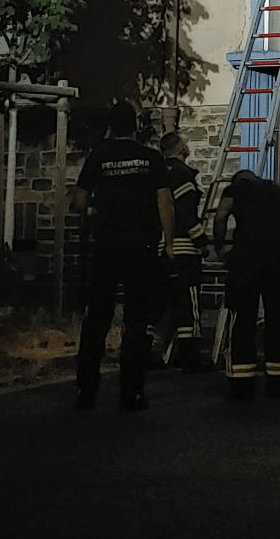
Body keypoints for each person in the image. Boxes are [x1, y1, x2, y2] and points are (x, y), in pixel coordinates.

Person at [74, 101, 175, 411]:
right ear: (135, 126)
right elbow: (164, 202)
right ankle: (132, 392)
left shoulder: (98, 157)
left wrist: (94, 215)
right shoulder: (152, 158)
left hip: (106, 246)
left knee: (97, 317)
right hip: (141, 248)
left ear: (110, 127)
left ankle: (86, 391)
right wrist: (169, 243)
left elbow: (79, 200)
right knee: (136, 320)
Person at [212, 170, 280, 400]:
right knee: (278, 321)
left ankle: (242, 382)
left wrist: (221, 248)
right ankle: (279, 380)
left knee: (242, 320)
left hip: (245, 261)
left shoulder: (235, 191)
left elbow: (220, 217)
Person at [154, 130, 208, 370]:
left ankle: (147, 352)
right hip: (184, 250)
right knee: (188, 303)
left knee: (160, 302)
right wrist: (203, 243)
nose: (187, 145)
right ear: (179, 148)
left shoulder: (156, 174)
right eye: (184, 142)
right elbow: (186, 215)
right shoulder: (183, 175)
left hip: (159, 249)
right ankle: (189, 356)